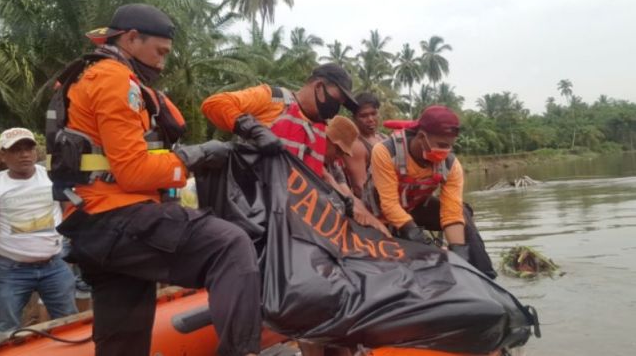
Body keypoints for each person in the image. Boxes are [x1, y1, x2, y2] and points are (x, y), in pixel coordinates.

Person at [52, 4, 261, 356]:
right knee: (230, 244)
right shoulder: (114, 77)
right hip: (117, 217)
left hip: (91, 228)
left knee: (124, 344)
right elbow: (133, 171)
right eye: (160, 51)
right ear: (132, 38)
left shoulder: (86, 76)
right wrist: (195, 157)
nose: (163, 61)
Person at [369, 105, 497, 278]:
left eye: (450, 146)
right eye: (442, 145)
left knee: (462, 212)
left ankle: (485, 274)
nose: (446, 152)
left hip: (415, 208)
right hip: (381, 214)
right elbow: (389, 204)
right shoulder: (385, 152)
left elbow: (451, 213)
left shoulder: (451, 165)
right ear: (422, 137)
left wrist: (459, 253)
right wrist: (421, 240)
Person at [0, 128, 78, 337]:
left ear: (36, 152)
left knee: (69, 323)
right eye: (16, 149)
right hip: (12, 271)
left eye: (28, 148)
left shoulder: (53, 177)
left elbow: (69, 212)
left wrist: (73, 249)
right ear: (2, 155)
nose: (24, 154)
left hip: (56, 265)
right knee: (2, 330)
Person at [201, 62, 358, 178]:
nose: (336, 108)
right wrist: (252, 128)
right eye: (337, 100)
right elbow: (214, 104)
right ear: (318, 86)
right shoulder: (272, 98)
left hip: (289, 216)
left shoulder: (320, 130)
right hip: (251, 206)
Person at [342, 92, 387, 199]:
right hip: (374, 204)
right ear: (354, 118)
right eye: (364, 116)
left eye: (373, 113)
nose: (370, 119)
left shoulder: (384, 137)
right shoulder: (356, 145)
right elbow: (359, 187)